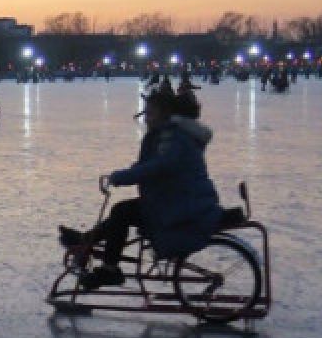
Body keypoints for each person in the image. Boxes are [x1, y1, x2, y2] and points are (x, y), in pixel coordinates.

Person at [59, 92, 221, 290]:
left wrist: (122, 177)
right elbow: (149, 164)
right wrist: (127, 173)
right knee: (124, 212)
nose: (146, 118)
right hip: (177, 199)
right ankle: (87, 240)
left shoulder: (175, 137)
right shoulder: (170, 135)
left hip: (181, 206)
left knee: (122, 212)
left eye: (151, 113)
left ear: (165, 114)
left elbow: (159, 166)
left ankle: (109, 268)